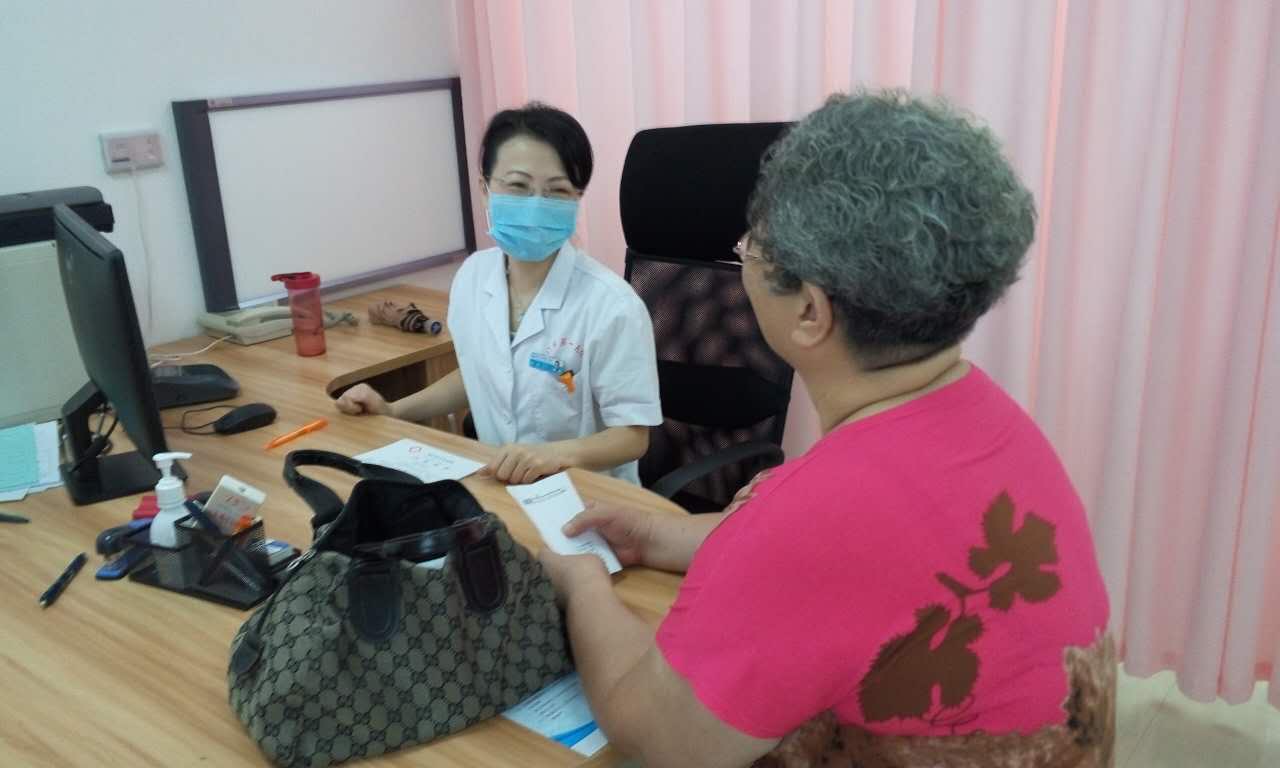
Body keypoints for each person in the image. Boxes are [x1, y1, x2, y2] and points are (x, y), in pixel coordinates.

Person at [539, 91, 1114, 768]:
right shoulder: (995, 422)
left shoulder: (816, 513)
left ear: (811, 313)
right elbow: (872, 571)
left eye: (749, 246)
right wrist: (664, 536)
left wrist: (582, 586)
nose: (742, 259)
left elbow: (661, 735)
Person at [336, 103, 662, 485]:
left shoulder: (612, 306)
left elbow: (633, 437)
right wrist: (393, 410)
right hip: (498, 486)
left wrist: (555, 455)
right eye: (518, 186)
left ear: (577, 198)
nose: (535, 205)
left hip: (588, 495)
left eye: (557, 191)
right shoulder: (473, 277)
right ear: (485, 190)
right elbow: (480, 374)